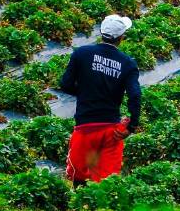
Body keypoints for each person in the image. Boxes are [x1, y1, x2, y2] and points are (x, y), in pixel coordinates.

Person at [58, 14, 141, 185]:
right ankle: (102, 210)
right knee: (106, 180)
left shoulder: (81, 54)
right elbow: (135, 95)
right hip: (111, 130)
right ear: (121, 37)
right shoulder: (128, 63)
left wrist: (86, 93)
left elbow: (65, 84)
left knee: (78, 177)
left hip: (85, 127)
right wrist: (131, 126)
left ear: (101, 32)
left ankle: (80, 207)